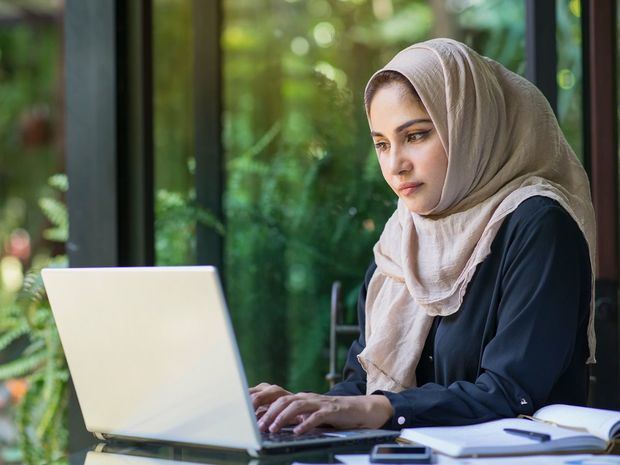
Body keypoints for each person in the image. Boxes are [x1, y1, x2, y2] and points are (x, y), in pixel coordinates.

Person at [250, 38, 596, 435]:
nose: (395, 164)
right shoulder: (402, 239)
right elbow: (365, 388)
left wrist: (379, 408)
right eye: (382, 144)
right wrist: (299, 408)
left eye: (415, 135)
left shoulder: (538, 225)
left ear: (469, 127)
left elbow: (511, 393)